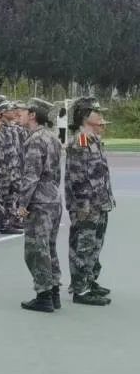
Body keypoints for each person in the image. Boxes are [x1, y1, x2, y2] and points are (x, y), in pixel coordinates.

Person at [17, 98, 64, 313]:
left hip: (39, 202)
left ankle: (44, 295)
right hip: (53, 198)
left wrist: (23, 203)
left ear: (33, 115)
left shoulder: (35, 140)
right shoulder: (52, 137)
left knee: (36, 250)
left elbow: (31, 176)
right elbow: (56, 173)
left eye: (23, 112)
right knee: (49, 248)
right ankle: (54, 293)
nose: (19, 115)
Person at [64, 99, 113, 306]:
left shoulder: (93, 139)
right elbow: (78, 177)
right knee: (82, 246)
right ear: (85, 117)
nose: (101, 116)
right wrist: (83, 205)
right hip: (86, 206)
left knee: (95, 245)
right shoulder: (81, 141)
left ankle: (89, 280)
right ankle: (80, 289)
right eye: (96, 112)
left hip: (98, 204)